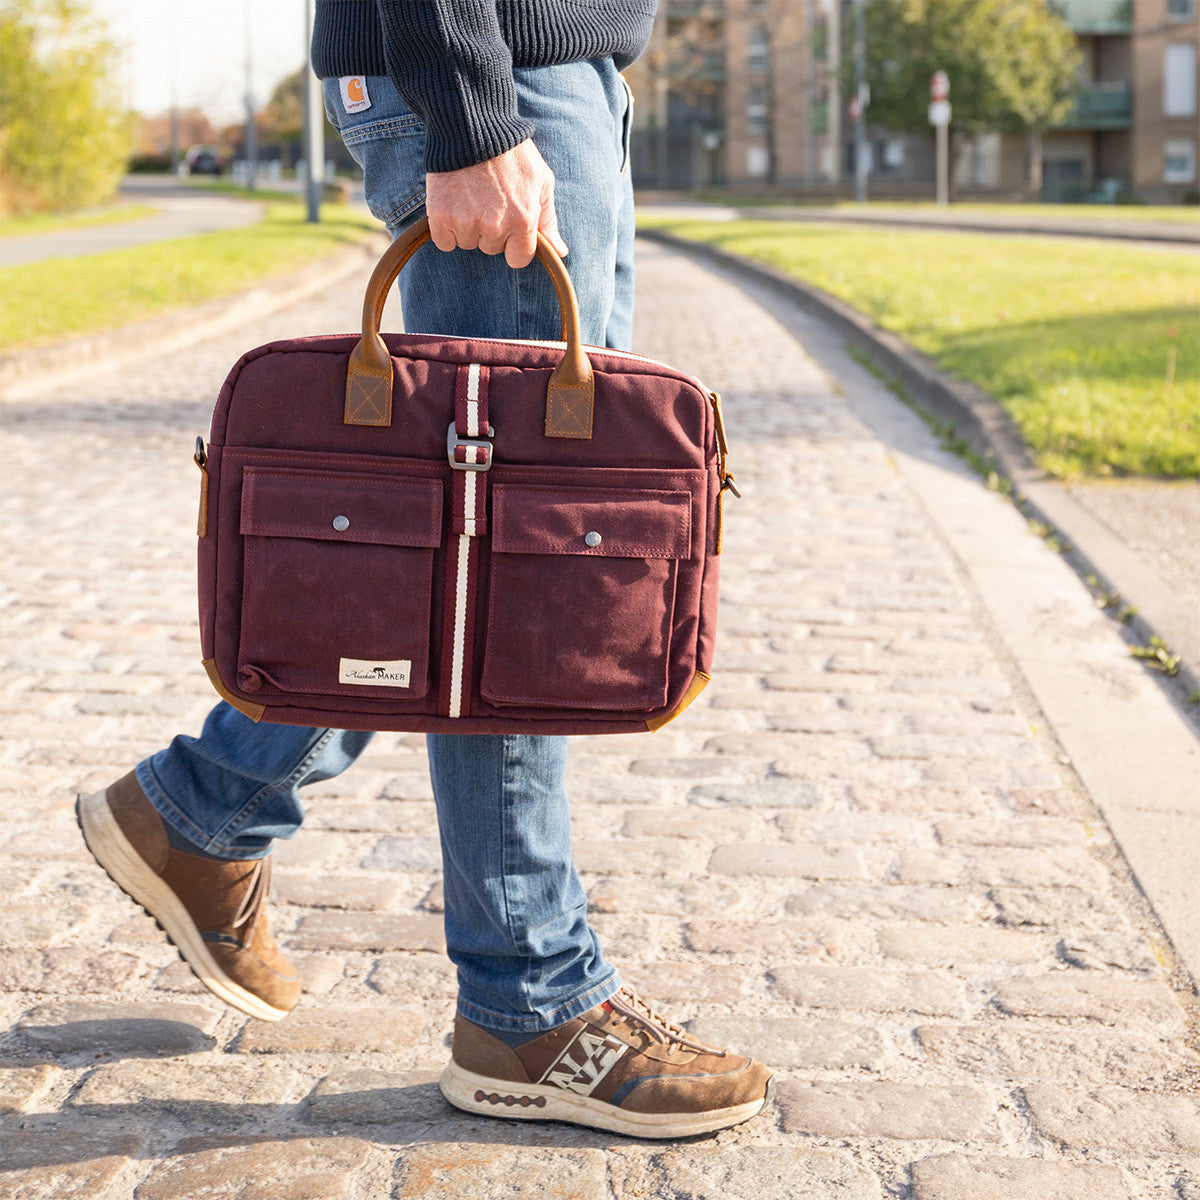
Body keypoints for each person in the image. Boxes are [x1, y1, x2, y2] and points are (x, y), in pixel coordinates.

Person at [76, 0, 773, 1139]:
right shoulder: (481, 103)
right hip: (497, 74)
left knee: (492, 543)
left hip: (558, 73)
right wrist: (470, 111)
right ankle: (529, 997)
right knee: (512, 560)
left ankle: (206, 810)